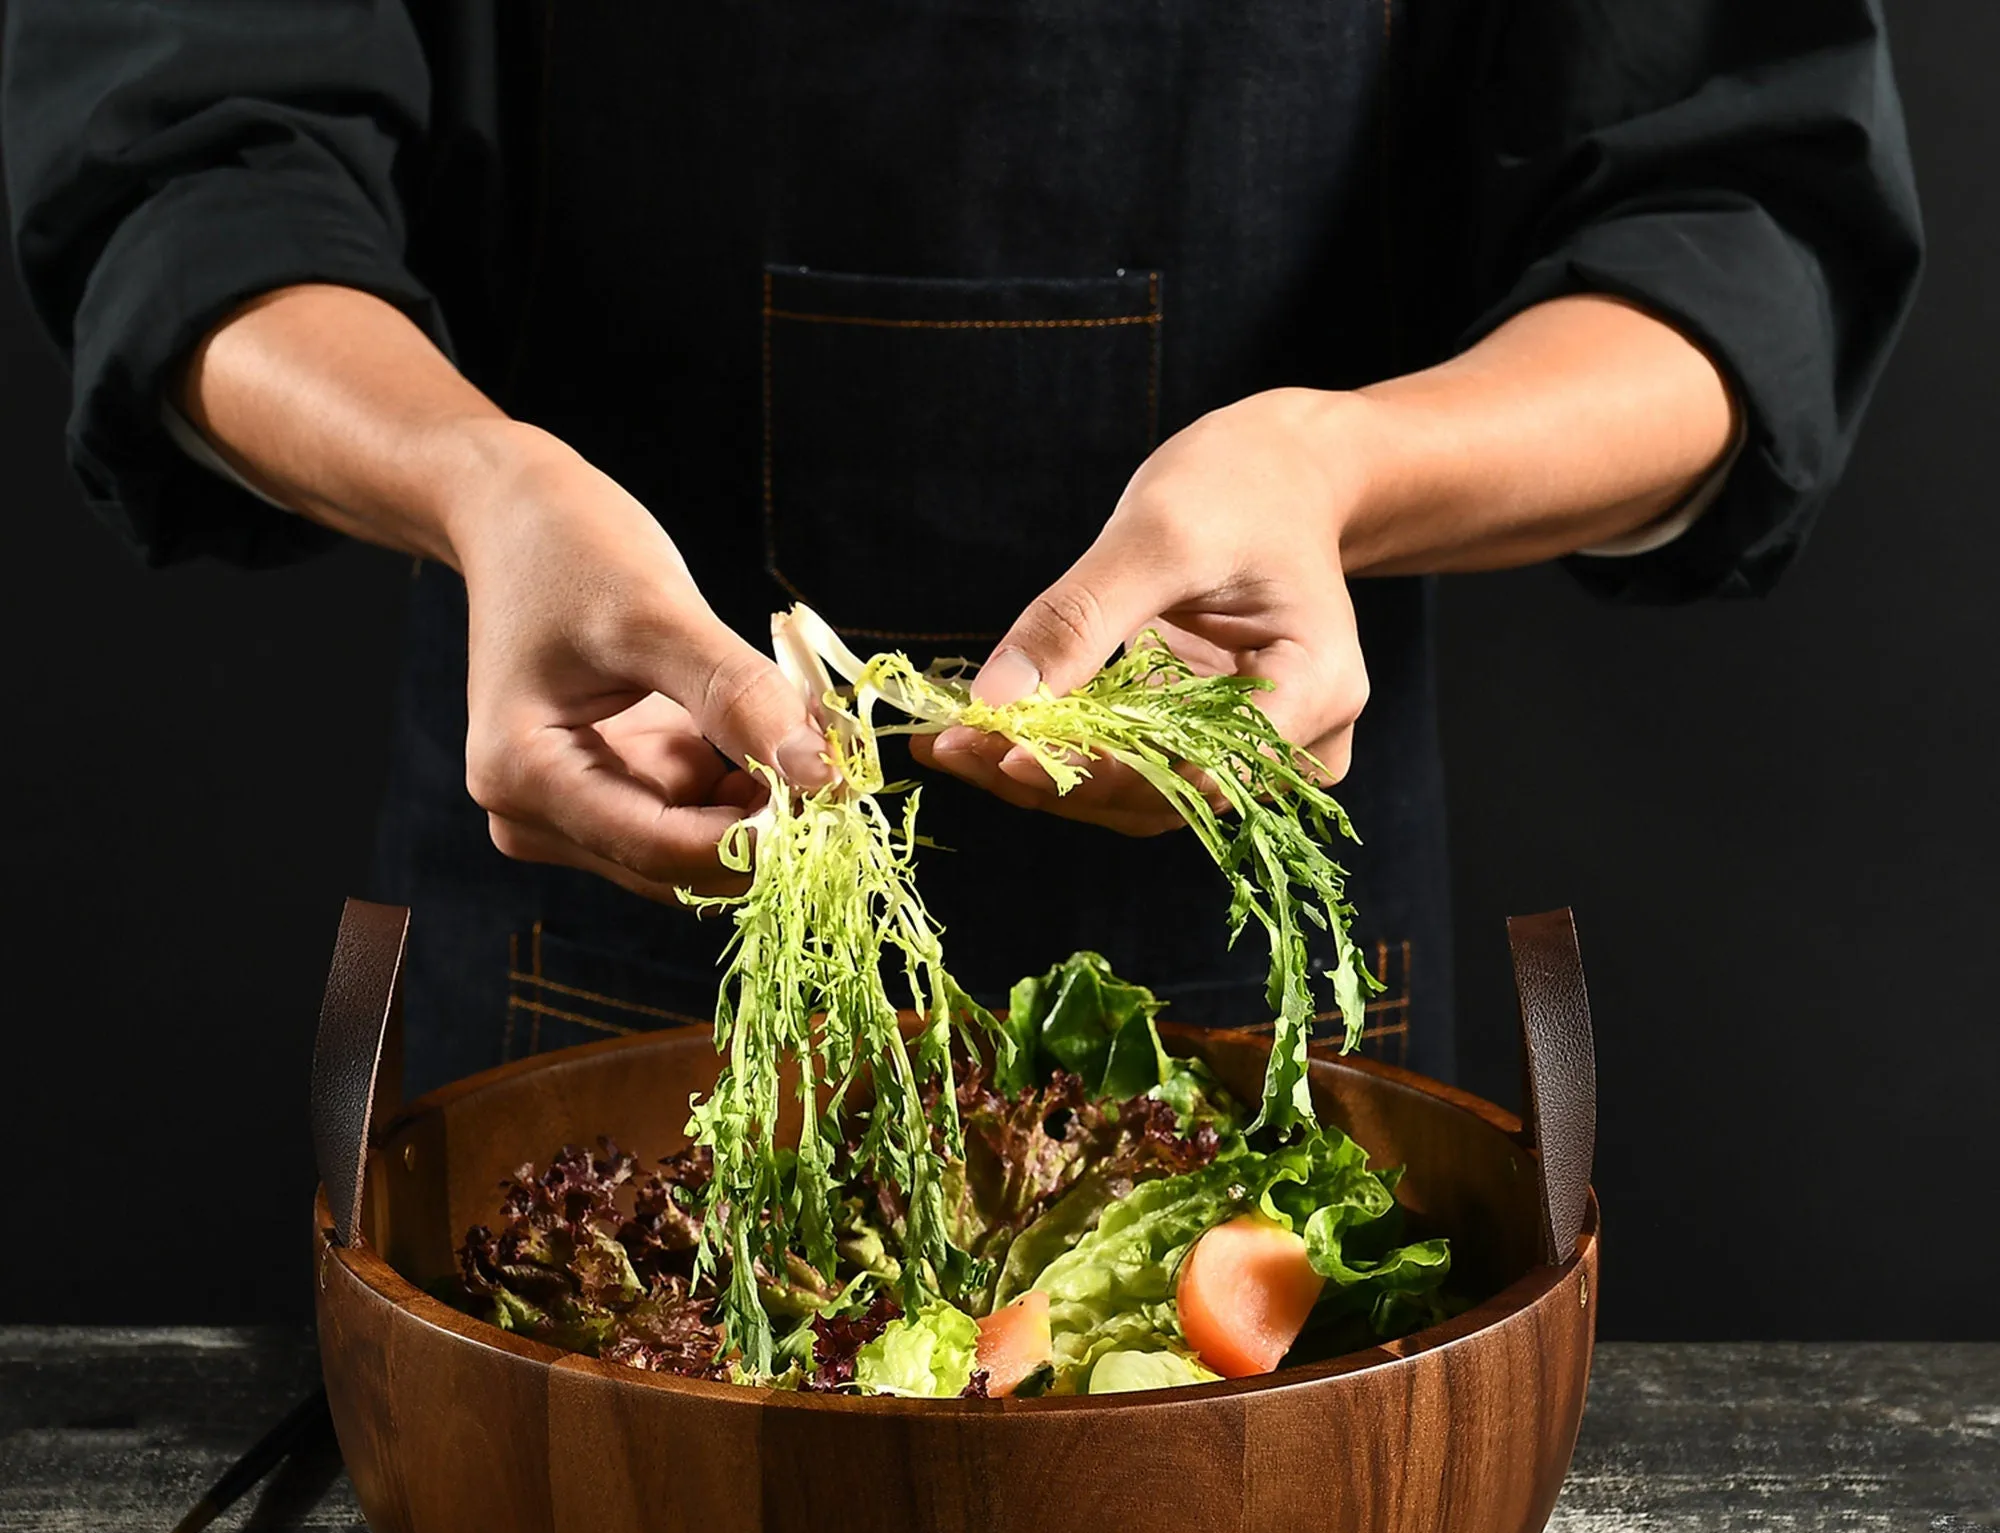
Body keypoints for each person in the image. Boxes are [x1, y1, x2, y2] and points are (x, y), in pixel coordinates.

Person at [3, 3, 1921, 1093]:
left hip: (1264, 978)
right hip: (587, 929)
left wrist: (1346, 469)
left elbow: (1734, 216)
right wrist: (475, 480)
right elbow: (193, 155)